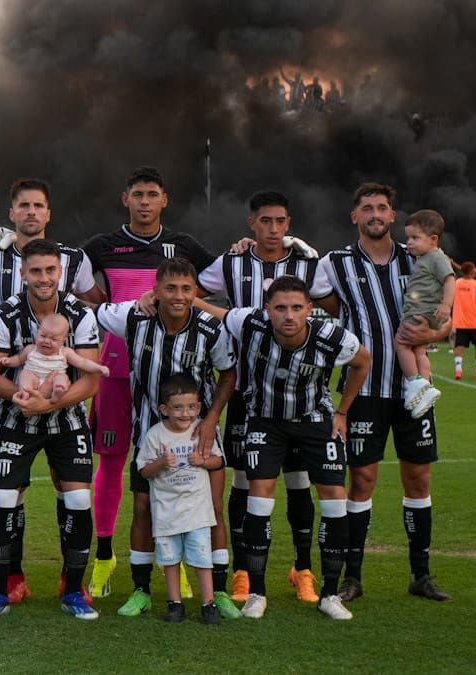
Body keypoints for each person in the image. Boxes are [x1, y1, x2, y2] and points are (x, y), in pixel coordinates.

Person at [311, 182, 454, 603]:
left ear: (393, 216)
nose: (375, 213)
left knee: (418, 476)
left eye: (383, 208)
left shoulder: (420, 257)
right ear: (354, 216)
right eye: (367, 207)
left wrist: (434, 329)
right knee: (364, 479)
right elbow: (330, 307)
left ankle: (420, 574)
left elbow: (446, 320)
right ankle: (353, 577)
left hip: (413, 390)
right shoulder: (333, 263)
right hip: (366, 389)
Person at [82, 166, 216, 602]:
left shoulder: (185, 247)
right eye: (137, 194)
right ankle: (105, 557)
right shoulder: (102, 246)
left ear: (165, 199)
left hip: (176, 382)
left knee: (185, 467)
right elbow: (76, 289)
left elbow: (222, 283)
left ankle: (187, 567)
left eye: (152, 194)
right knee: (112, 463)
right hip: (116, 373)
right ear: (126, 198)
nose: (144, 201)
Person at [0, 177, 105, 604]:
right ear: (24, 273)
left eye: (50, 270)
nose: (44, 278)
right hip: (15, 417)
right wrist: (20, 399)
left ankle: (72, 583)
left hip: (66, 418)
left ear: (60, 271)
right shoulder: (6, 314)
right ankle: (10, 580)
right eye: (36, 271)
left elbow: (90, 376)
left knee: (78, 496)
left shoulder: (79, 314)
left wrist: (49, 402)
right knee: (8, 496)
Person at [209, 275, 371, 620]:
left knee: (334, 500)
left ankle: (330, 594)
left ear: (309, 310)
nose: (288, 316)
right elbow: (214, 312)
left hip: (315, 422)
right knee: (259, 497)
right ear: (267, 309)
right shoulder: (249, 323)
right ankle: (256, 593)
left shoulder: (332, 337)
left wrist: (342, 411)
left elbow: (363, 362)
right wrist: (184, 299)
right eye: (280, 308)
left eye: (297, 308)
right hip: (265, 421)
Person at [95, 258, 238, 619]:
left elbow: (228, 374)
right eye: (170, 288)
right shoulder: (134, 318)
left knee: (213, 511)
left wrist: (212, 419)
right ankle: (142, 590)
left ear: (195, 292)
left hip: (200, 435)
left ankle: (218, 592)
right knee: (143, 509)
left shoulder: (210, 328)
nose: (178, 296)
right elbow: (93, 311)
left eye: (186, 289)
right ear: (156, 290)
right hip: (149, 434)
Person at [197, 190, 321, 605]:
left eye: (280, 221)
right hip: (247, 393)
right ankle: (244, 572)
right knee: (244, 481)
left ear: (289, 224)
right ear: (252, 224)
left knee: (298, 481)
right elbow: (188, 291)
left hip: (301, 394)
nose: (273, 229)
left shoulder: (308, 263)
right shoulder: (231, 262)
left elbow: (331, 307)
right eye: (265, 221)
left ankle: (302, 569)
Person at [137, 374, 227, 625]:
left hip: (197, 511)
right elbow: (143, 470)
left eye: (190, 407)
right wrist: (161, 463)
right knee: (170, 559)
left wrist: (204, 462)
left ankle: (208, 604)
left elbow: (219, 461)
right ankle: (175, 603)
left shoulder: (201, 431)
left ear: (198, 407)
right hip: (166, 512)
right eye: (177, 408)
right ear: (164, 409)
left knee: (201, 558)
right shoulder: (155, 435)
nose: (184, 413)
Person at [394, 210, 455, 418]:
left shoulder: (436, 257)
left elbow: (449, 280)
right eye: (408, 238)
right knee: (419, 351)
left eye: (415, 238)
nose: (409, 243)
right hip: (425, 312)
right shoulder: (426, 257)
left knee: (401, 344)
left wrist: (447, 305)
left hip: (421, 311)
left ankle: (413, 382)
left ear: (433, 239)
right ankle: (426, 389)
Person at [0, 313, 109, 404]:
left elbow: (83, 362)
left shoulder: (64, 352)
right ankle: (26, 393)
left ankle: (58, 393)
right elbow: (19, 359)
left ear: (63, 341)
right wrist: (8, 361)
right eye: (43, 336)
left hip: (55, 376)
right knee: (25, 375)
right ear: (37, 334)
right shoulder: (31, 349)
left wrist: (98, 368)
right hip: (34, 375)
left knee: (62, 378)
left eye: (53, 339)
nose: (47, 341)